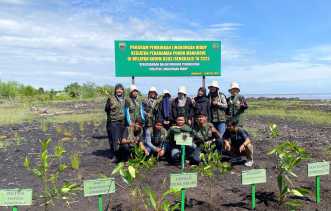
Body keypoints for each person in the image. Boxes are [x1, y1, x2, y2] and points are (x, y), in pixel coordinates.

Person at [105, 83, 126, 162]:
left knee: (121, 139)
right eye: (118, 89)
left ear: (123, 91)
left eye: (121, 89)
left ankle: (121, 155)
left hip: (122, 122)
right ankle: (115, 156)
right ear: (115, 91)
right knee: (114, 139)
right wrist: (109, 121)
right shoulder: (111, 99)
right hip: (114, 122)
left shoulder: (125, 99)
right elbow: (106, 109)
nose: (119, 91)